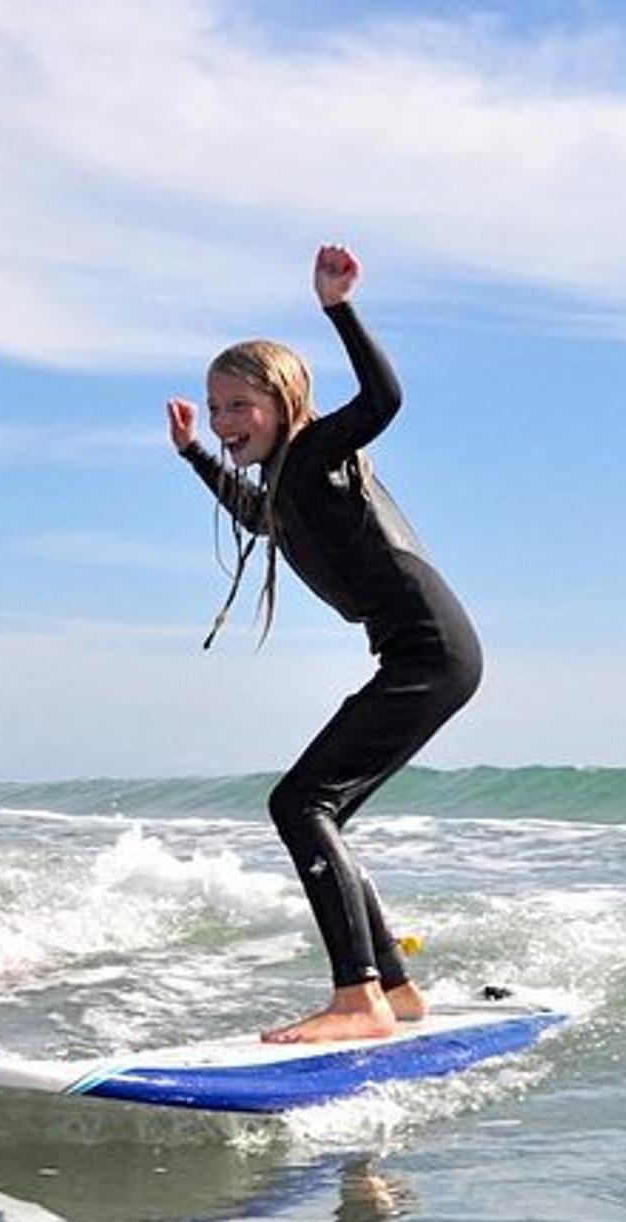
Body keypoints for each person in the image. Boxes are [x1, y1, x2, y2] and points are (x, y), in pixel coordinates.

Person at [166, 244, 481, 1043]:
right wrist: (194, 454)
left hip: (431, 652)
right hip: (425, 654)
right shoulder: (288, 481)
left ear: (283, 402)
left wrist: (339, 308)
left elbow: (384, 398)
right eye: (216, 407)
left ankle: (358, 998)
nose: (224, 421)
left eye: (239, 405)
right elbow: (255, 515)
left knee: (299, 803)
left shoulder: (312, 453)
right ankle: (396, 990)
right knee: (320, 813)